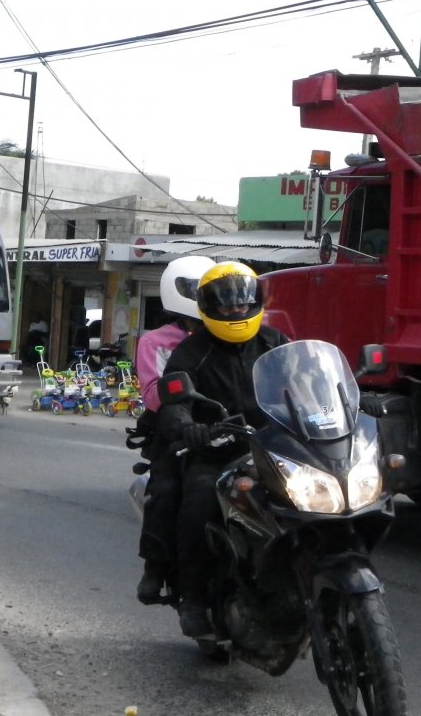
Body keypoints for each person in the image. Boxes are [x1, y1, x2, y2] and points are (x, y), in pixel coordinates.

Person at [157, 261, 289, 637]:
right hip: (217, 451)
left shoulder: (275, 342)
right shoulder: (192, 351)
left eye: (242, 302)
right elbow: (173, 401)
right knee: (198, 500)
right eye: (226, 304)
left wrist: (350, 403)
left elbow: (305, 379)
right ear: (208, 306)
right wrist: (188, 426)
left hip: (275, 449)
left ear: (255, 302)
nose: (236, 310)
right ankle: (193, 598)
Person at [132, 255, 216, 603]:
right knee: (166, 490)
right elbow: (153, 397)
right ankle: (156, 566)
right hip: (176, 431)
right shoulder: (156, 342)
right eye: (194, 290)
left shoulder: (230, 335)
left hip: (229, 426)